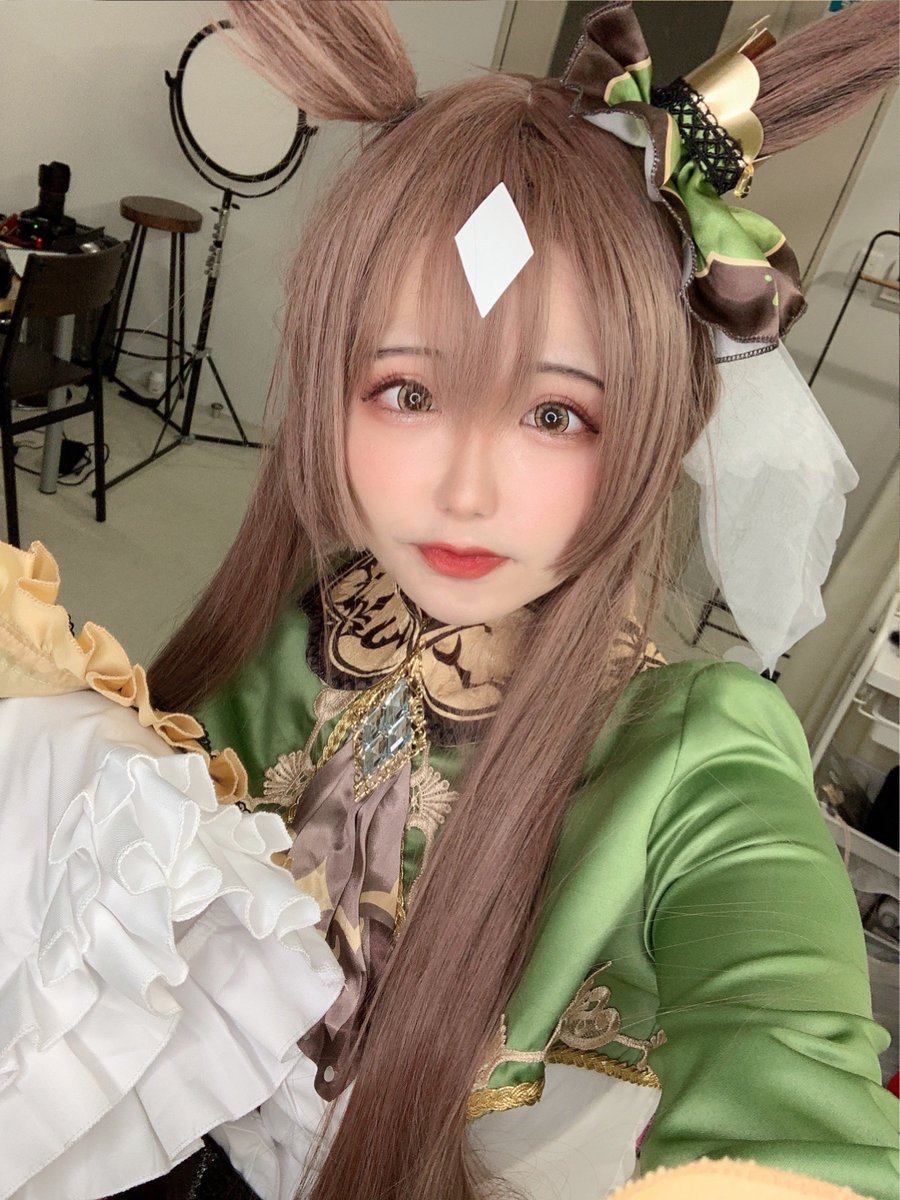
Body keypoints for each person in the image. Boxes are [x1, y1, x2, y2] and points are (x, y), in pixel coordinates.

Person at [3, 2, 897, 1199]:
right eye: (408, 392)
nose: (464, 491)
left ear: (658, 426)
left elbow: (795, 1076)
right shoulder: (297, 624)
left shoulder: (694, 760)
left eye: (555, 413)